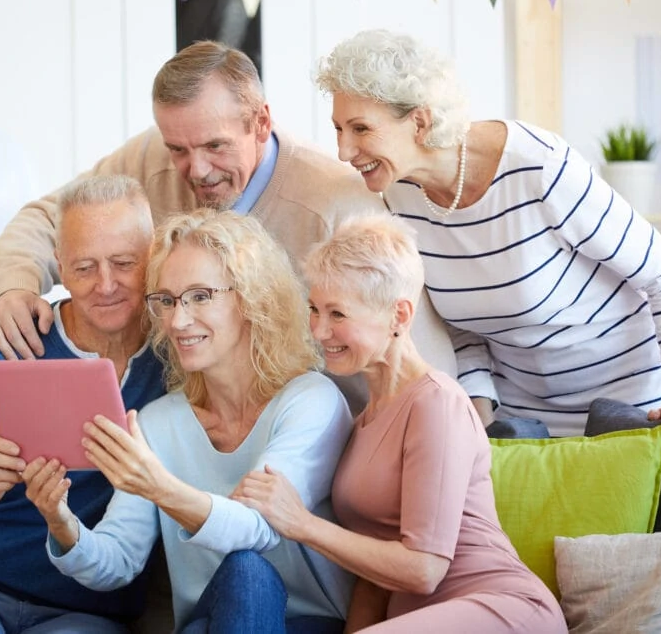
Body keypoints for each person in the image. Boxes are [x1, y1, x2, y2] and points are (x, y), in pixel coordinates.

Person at [0, 39, 456, 413]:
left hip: (320, 436)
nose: (197, 170)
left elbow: (417, 358)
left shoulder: (336, 204)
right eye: (178, 150)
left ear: (261, 122)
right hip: (192, 421)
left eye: (215, 146)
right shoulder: (150, 158)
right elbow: (51, 218)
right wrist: (14, 284)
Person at [311, 28, 661, 437]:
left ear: (419, 121)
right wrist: (481, 425)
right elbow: (463, 328)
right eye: (338, 129)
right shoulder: (399, 195)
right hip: (524, 423)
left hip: (629, 406)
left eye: (360, 129)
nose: (344, 151)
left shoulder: (539, 167)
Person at [23, 209, 354, 633]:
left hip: (310, 624)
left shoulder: (310, 401)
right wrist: (61, 522)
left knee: (248, 570)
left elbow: (259, 528)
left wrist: (160, 487)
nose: (177, 321)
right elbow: (118, 561)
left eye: (200, 296)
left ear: (252, 298)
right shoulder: (159, 423)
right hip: (212, 622)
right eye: (166, 300)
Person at [234, 213, 567, 632]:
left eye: (338, 314)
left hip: (501, 609)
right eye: (314, 309)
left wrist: (302, 524)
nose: (318, 330)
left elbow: (425, 569)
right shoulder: (362, 423)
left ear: (399, 315)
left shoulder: (436, 402)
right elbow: (373, 577)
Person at [0, 176, 167, 634]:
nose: (105, 285)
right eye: (84, 268)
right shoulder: (18, 336)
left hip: (87, 609)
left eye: (123, 263)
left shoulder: (176, 357)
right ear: (59, 265)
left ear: (152, 256)